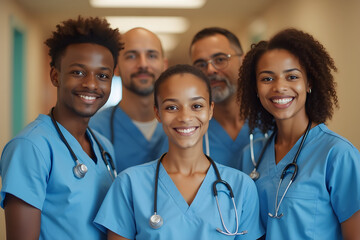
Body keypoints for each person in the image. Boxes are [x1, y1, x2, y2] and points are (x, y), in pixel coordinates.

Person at [94, 64, 264, 240]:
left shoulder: (241, 186)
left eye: (197, 106)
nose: (185, 117)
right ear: (157, 113)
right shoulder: (129, 184)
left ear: (210, 110)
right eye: (172, 107)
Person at [0, 16, 122, 239]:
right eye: (78, 72)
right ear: (55, 76)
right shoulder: (30, 147)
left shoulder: (104, 147)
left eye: (103, 75)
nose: (91, 84)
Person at [237, 28, 360, 239]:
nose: (280, 87)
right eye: (267, 79)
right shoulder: (250, 155)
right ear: (255, 88)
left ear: (309, 83)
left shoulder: (338, 154)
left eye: (292, 76)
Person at [90, 27, 168, 173]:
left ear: (164, 65)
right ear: (115, 67)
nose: (143, 64)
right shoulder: (94, 130)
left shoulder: (183, 125)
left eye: (151, 55)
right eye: (131, 56)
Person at [190, 27, 265, 169]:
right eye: (201, 64)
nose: (211, 69)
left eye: (220, 59)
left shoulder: (272, 120)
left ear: (243, 61)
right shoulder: (188, 130)